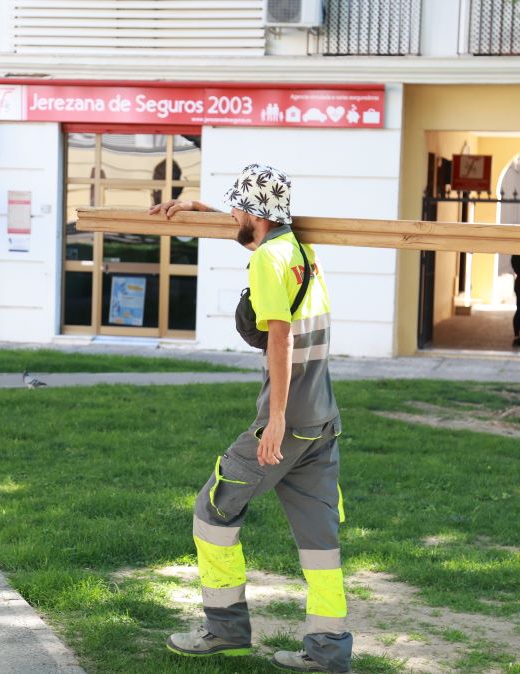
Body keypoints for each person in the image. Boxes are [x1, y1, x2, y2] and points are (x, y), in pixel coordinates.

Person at [150, 164, 352, 673]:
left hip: (290, 420)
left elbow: (279, 338)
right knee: (319, 542)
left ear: (256, 214)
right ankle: (329, 652)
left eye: (237, 205)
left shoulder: (267, 260)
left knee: (212, 510)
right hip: (324, 420)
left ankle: (224, 631)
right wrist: (199, 209)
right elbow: (252, 236)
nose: (233, 213)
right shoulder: (299, 251)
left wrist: (275, 420)